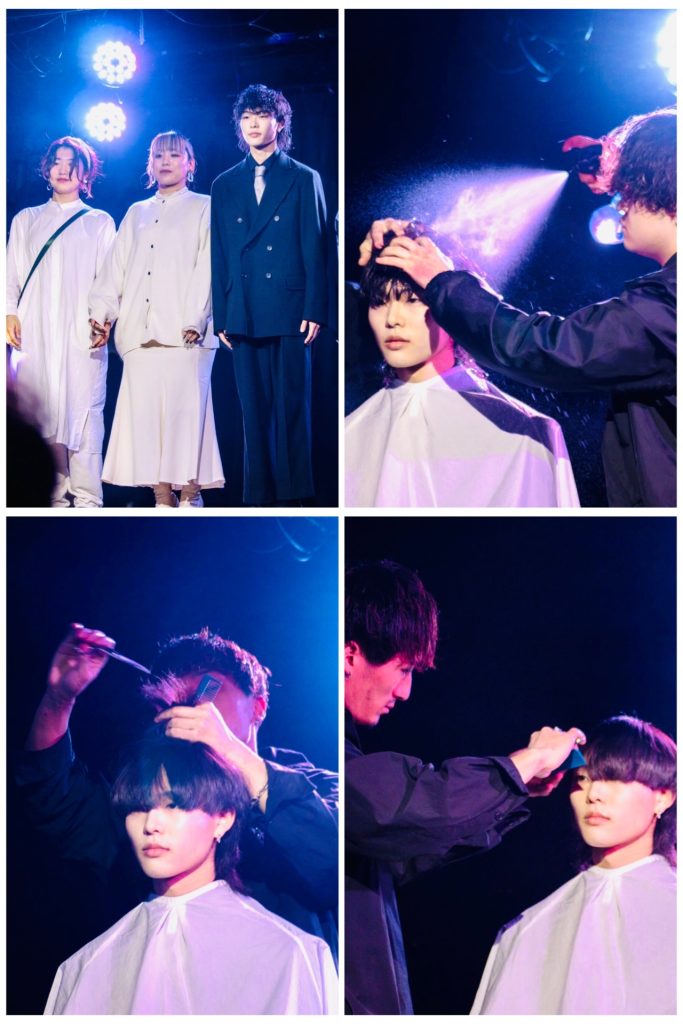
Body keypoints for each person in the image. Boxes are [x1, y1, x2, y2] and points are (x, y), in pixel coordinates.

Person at [360, 108, 676, 507]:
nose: (619, 204)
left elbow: (549, 349)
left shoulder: (668, 307)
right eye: (620, 187)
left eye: (629, 187)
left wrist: (441, 280)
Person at [344, 560, 586, 1014]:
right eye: (403, 669)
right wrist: (524, 763)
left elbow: (404, 850)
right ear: (350, 655)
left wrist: (510, 793)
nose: (406, 692)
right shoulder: (323, 756)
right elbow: (407, 802)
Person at [15, 624, 338, 961]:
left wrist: (232, 751)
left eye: (207, 694)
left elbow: (333, 862)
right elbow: (52, 800)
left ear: (257, 707)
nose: (189, 712)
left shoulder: (318, 785)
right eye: (169, 704)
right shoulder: (150, 797)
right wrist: (59, 698)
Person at [45, 736, 337, 1013]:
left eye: (173, 805)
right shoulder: (87, 965)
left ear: (223, 818)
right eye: (138, 808)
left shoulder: (288, 954)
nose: (151, 824)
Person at [471, 715, 676, 1014]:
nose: (594, 795)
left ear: (663, 797)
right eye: (582, 779)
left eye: (615, 778)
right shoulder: (528, 928)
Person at [345, 251, 579, 507]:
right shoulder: (350, 432)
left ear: (450, 305)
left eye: (413, 300)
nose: (392, 320)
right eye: (378, 302)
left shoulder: (525, 433)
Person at [89, 131, 223, 508]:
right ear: (150, 163)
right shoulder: (137, 212)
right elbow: (115, 269)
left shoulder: (205, 206)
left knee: (187, 415)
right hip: (139, 333)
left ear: (190, 163)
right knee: (148, 420)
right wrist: (101, 316)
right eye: (159, 155)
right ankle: (161, 496)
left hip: (186, 333)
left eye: (174, 155)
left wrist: (196, 317)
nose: (165, 161)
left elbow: (209, 265)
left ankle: (190, 495)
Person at [210, 84, 328, 506]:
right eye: (246, 117)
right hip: (242, 309)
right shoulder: (224, 184)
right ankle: (258, 494)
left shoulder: (303, 177)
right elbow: (220, 254)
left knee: (292, 405)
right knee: (252, 411)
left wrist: (315, 307)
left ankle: (295, 495)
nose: (253, 124)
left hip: (291, 307)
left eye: (262, 115)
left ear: (280, 122)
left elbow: (317, 247)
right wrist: (222, 314)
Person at [6, 136, 116, 507]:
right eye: (57, 161)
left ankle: (88, 499)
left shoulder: (99, 222)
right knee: (41, 410)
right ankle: (49, 498)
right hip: (35, 332)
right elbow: (10, 275)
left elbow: (109, 280)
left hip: (81, 333)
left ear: (86, 173)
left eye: (72, 163)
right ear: (47, 168)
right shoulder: (27, 219)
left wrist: (102, 319)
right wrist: (9, 313)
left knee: (83, 411)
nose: (63, 169)